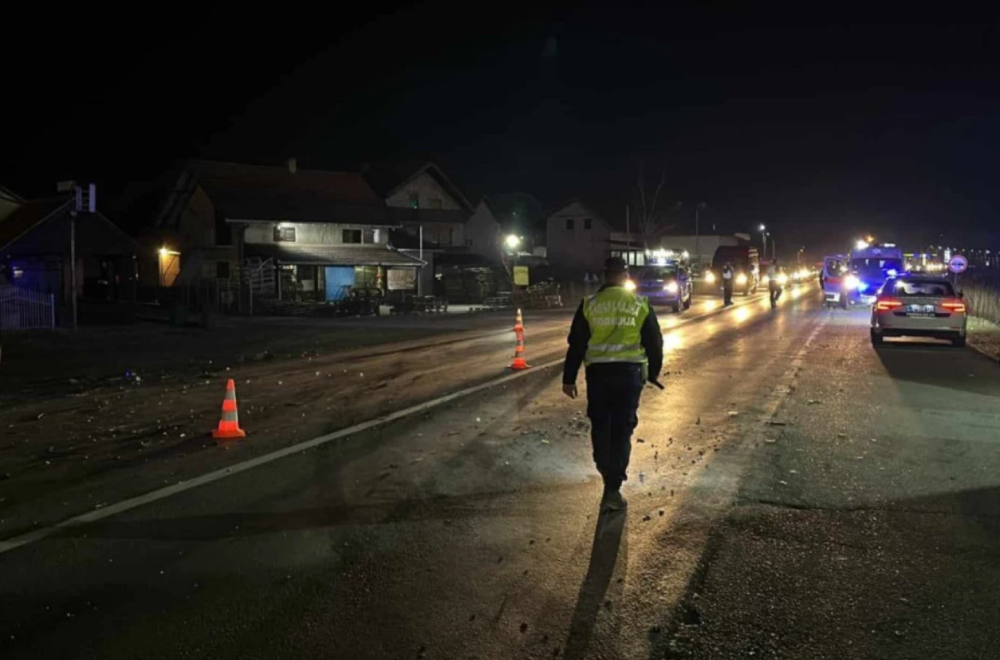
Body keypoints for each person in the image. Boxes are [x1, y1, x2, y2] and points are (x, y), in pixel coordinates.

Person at [562, 257, 664, 512]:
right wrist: (653, 373)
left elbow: (576, 344)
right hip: (629, 376)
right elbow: (655, 342)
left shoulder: (590, 304)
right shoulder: (639, 304)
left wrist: (569, 378)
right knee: (622, 428)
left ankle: (605, 469)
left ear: (604, 275)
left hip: (599, 375)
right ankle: (613, 487)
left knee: (600, 424)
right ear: (625, 276)